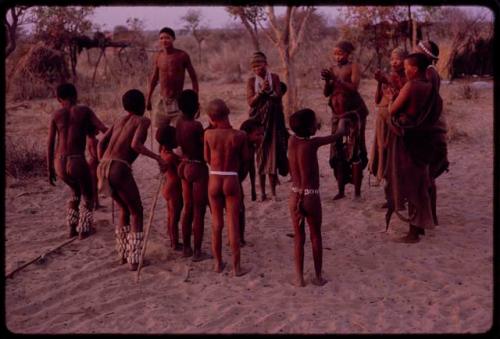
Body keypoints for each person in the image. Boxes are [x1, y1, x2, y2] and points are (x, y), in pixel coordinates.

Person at [97, 89, 167, 270]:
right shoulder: (143, 120)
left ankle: (123, 255)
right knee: (137, 212)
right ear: (142, 105)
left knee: (123, 209)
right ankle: (134, 260)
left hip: (103, 166)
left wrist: (102, 162)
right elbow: (135, 144)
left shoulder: (119, 119)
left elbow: (100, 143)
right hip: (119, 167)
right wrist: (158, 158)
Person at [385, 53, 444, 243]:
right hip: (425, 140)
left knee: (410, 183)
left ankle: (413, 233)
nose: (404, 69)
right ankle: (419, 227)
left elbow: (393, 110)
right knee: (420, 181)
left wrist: (391, 99)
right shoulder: (431, 88)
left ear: (415, 68)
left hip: (408, 139)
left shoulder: (412, 86)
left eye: (406, 67)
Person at [287, 108, 347, 287]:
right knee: (315, 236)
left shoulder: (292, 141)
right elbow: (339, 135)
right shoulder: (312, 144)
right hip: (310, 196)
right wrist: (343, 119)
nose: (317, 125)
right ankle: (318, 276)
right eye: (314, 123)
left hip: (294, 194)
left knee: (299, 237)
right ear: (308, 127)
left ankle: (298, 277)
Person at [47, 83, 107, 239]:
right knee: (88, 195)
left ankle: (72, 229)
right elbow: (103, 128)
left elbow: (50, 143)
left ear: (58, 98)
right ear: (76, 95)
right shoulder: (84, 111)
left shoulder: (56, 114)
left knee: (74, 193)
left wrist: (50, 169)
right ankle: (84, 230)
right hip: (77, 160)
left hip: (59, 162)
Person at [204, 99, 250, 276]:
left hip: (214, 178)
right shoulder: (239, 135)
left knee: (216, 223)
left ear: (210, 118)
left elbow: (207, 158)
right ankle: (236, 267)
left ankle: (218, 264)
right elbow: (246, 159)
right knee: (233, 222)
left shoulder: (208, 135)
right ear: (228, 112)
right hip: (231, 178)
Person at [321, 40, 369, 200]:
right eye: (335, 53)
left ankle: (357, 192)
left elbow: (354, 88)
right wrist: (327, 80)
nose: (337, 56)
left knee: (355, 150)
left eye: (340, 53)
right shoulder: (333, 69)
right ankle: (341, 190)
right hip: (337, 115)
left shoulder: (353, 66)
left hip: (354, 114)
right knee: (337, 151)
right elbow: (327, 93)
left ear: (348, 54)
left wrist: (335, 79)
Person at [414, 40, 449, 225]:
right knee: (427, 176)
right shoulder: (429, 73)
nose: (414, 52)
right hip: (431, 127)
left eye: (417, 50)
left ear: (426, 54)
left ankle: (430, 217)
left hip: (431, 130)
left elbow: (427, 104)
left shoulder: (429, 74)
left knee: (427, 176)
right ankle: (430, 216)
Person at [246, 51, 289, 202]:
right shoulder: (251, 81)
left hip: (274, 123)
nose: (257, 68)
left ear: (266, 64)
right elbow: (251, 102)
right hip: (259, 124)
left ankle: (273, 193)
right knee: (261, 158)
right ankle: (262, 193)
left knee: (272, 157)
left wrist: (268, 90)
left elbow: (277, 96)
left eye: (260, 65)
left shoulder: (275, 78)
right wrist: (260, 93)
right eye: (254, 66)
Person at [369, 47, 408, 200]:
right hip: (382, 121)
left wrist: (387, 81)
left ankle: (400, 196)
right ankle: (390, 197)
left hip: (395, 122)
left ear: (406, 61)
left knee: (394, 156)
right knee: (383, 155)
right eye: (391, 59)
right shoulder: (389, 76)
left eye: (397, 59)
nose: (393, 62)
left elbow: (402, 96)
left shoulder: (407, 78)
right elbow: (378, 100)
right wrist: (380, 83)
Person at [176, 89, 209, 261]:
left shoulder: (179, 122)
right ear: (196, 106)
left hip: (183, 166)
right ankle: (197, 251)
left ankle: (186, 248)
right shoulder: (196, 126)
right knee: (198, 210)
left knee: (187, 207)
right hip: (197, 167)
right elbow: (203, 148)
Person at [146, 27, 199, 131]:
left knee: (180, 134)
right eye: (161, 38)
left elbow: (194, 78)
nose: (164, 40)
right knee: (160, 135)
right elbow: (154, 78)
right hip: (162, 101)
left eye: (167, 38)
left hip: (178, 100)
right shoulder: (158, 56)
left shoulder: (182, 55)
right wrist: (148, 99)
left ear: (173, 39)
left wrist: (195, 100)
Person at [156, 124, 183, 251]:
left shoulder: (162, 152)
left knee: (170, 214)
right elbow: (180, 169)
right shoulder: (171, 157)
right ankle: (175, 243)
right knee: (175, 216)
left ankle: (172, 238)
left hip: (167, 186)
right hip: (174, 188)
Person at [238, 119, 264, 244]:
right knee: (239, 210)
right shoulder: (239, 146)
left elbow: (252, 167)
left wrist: (253, 187)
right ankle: (238, 238)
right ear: (246, 134)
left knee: (240, 210)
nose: (261, 137)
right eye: (257, 134)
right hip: (232, 181)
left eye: (262, 134)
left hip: (237, 182)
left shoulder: (251, 147)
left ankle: (240, 237)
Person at [87, 133, 103, 210]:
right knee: (94, 185)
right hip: (94, 164)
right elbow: (95, 154)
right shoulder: (93, 141)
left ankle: (96, 204)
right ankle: (94, 204)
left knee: (94, 186)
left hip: (93, 163)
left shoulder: (90, 140)